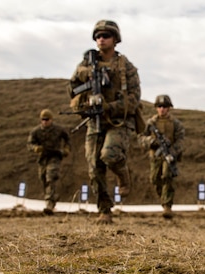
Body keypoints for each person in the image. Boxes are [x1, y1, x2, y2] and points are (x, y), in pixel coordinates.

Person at [68, 19, 142, 224]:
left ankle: (123, 174)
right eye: (98, 36)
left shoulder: (126, 67)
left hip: (119, 120)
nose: (101, 39)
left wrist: (109, 106)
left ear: (115, 40)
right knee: (94, 166)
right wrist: (87, 87)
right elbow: (72, 88)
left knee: (110, 155)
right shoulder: (85, 65)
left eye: (106, 35)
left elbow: (135, 99)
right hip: (94, 119)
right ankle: (105, 209)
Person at [140, 94, 185, 219]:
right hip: (155, 156)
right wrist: (152, 142)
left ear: (169, 108)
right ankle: (164, 199)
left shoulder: (175, 124)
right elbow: (141, 138)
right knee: (155, 179)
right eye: (159, 106)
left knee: (167, 177)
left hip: (169, 155)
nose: (162, 109)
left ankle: (167, 206)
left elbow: (181, 140)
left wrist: (173, 151)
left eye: (164, 106)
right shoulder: (151, 123)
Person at [27, 109, 71, 215]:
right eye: (43, 119)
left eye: (47, 119)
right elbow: (30, 144)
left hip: (55, 156)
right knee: (43, 179)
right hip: (43, 158)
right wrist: (35, 148)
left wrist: (66, 149)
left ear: (51, 119)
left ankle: (49, 204)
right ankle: (52, 197)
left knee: (51, 177)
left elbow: (68, 140)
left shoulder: (59, 130)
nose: (45, 122)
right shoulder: (36, 131)